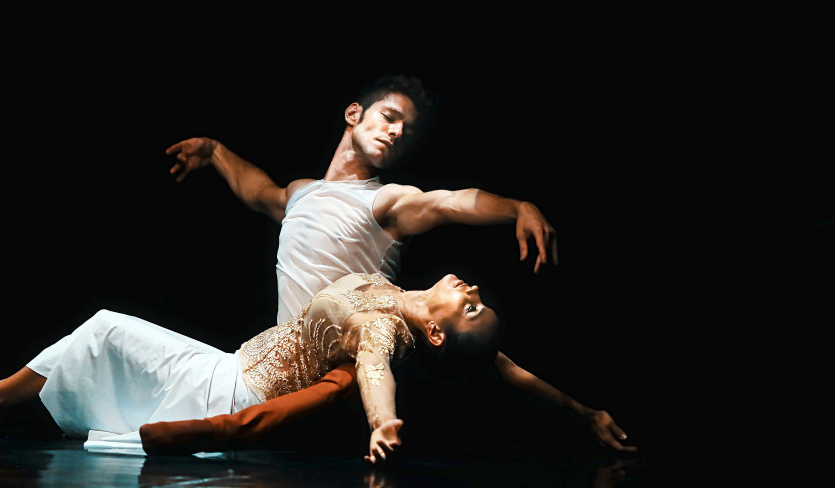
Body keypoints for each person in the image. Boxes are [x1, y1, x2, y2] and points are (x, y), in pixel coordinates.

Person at [164, 75, 635, 452]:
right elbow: (258, 191)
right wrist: (215, 152)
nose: (395, 132)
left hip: (342, 373)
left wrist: (517, 208)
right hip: (280, 363)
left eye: (404, 131)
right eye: (389, 118)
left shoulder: (385, 202)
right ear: (354, 114)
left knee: (472, 351)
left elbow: (450, 202)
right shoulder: (301, 193)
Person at [0, 272, 501, 463]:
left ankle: (4, 394)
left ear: (437, 334)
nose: (474, 290)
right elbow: (503, 365)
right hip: (227, 363)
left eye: (472, 308)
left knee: (106, 328)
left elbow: (373, 371)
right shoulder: (396, 293)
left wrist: (382, 422)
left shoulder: (383, 330)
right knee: (103, 331)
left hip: (233, 388)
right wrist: (558, 401)